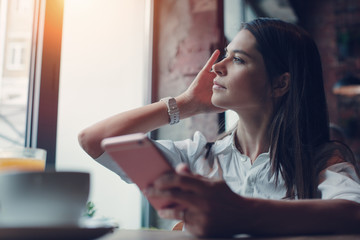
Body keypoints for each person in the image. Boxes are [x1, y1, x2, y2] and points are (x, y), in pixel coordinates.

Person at [78, 18, 360, 237]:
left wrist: (243, 213)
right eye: (225, 54)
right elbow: (94, 139)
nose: (217, 67)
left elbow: (354, 213)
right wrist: (186, 104)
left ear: (280, 83)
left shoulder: (320, 164)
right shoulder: (197, 158)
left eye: (238, 59)